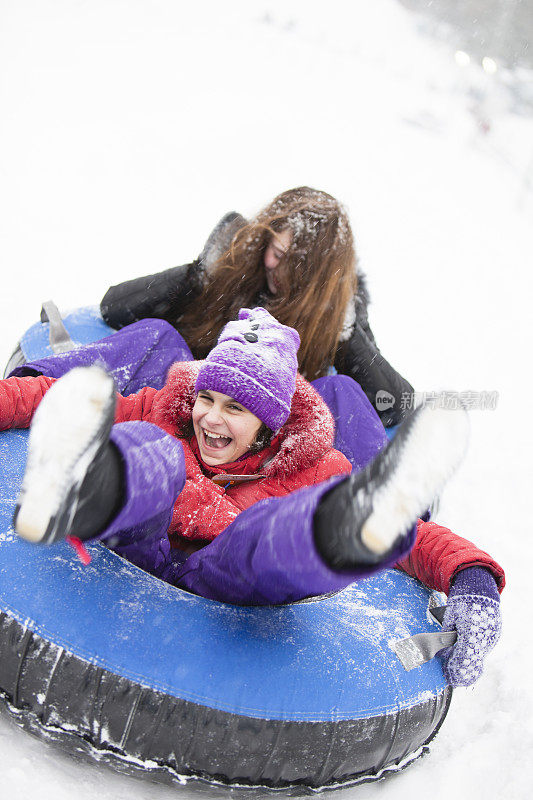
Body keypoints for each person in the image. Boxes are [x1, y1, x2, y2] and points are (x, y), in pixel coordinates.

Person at [2, 308, 504, 687]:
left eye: (236, 408)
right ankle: (83, 484)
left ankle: (342, 530)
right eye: (207, 398)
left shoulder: (314, 467)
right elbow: (38, 395)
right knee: (155, 454)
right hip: (139, 538)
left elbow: (419, 537)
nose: (210, 419)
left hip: (223, 580)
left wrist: (473, 578)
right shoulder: (164, 411)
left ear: (271, 422)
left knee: (266, 536)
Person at [98, 187, 413, 428]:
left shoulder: (330, 309)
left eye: (297, 265)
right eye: (277, 252)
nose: (280, 269)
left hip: (263, 435)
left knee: (340, 388)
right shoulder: (239, 271)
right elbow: (115, 307)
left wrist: (344, 331)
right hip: (194, 405)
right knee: (161, 335)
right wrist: (199, 274)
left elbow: (392, 405)